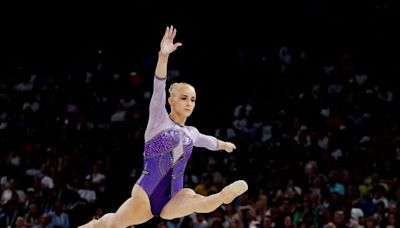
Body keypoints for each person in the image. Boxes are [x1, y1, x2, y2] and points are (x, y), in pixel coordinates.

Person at [79, 25, 248, 228]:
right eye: (184, 98)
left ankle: (223, 196)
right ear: (171, 100)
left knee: (194, 199)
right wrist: (163, 56)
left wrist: (224, 145)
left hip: (173, 199)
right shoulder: (159, 120)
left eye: (193, 100)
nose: (189, 103)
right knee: (114, 224)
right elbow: (158, 86)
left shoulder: (191, 133)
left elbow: (208, 141)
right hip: (145, 195)